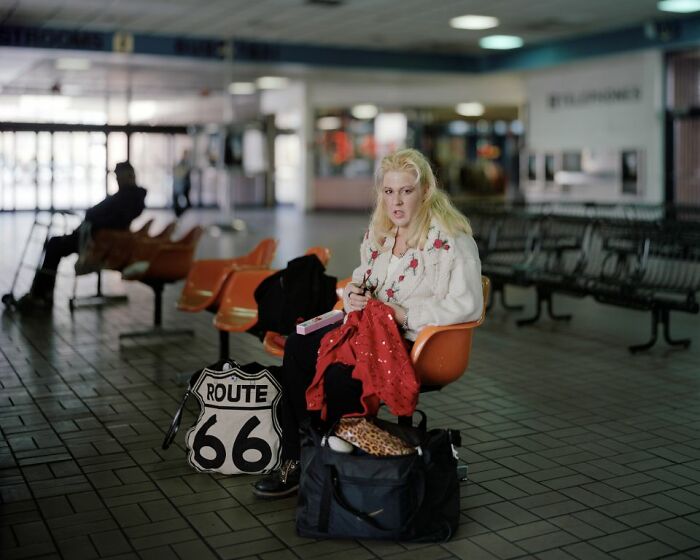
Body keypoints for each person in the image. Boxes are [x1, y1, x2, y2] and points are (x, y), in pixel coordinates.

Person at [253, 148, 483, 498]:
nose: (397, 202)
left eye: (406, 191)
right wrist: (355, 294)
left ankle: (337, 458)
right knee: (299, 346)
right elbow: (361, 277)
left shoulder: (451, 240)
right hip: (366, 329)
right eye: (389, 192)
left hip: (414, 340)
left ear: (425, 191)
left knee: (339, 372)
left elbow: (468, 304)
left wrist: (406, 315)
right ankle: (298, 455)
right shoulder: (381, 235)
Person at [16, 161, 147, 312]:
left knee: (54, 246)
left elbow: (114, 220)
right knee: (54, 244)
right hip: (94, 235)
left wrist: (92, 219)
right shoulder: (127, 196)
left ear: (128, 176)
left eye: (119, 177)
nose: (117, 180)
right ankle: (42, 293)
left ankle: (41, 294)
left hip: (96, 240)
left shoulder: (130, 197)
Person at [172, 150, 192, 217]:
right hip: (179, 185)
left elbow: (184, 173)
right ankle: (178, 214)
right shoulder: (181, 163)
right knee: (176, 201)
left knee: (187, 203)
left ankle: (179, 213)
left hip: (183, 186)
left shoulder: (187, 163)